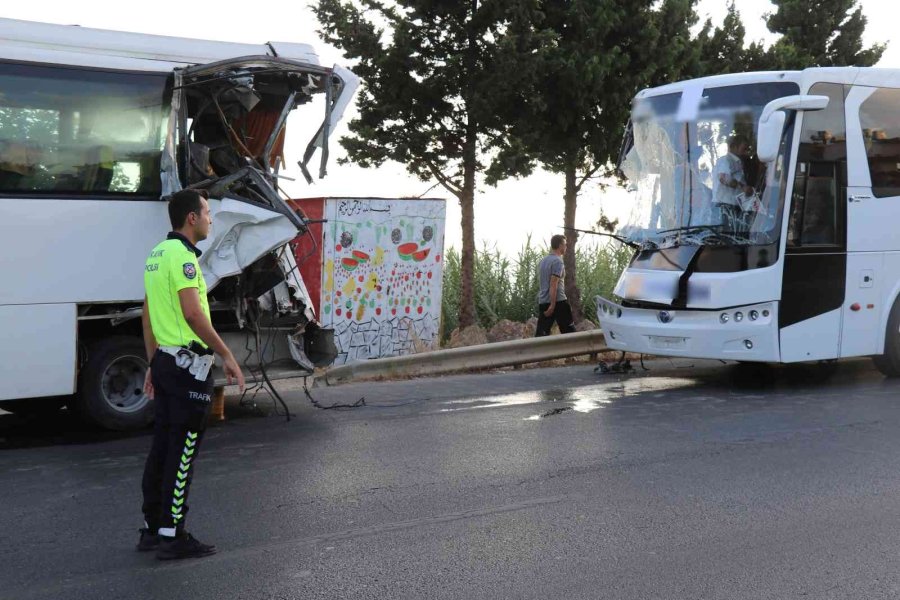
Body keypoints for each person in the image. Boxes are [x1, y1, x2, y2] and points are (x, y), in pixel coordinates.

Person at [137, 188, 245, 560]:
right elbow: (193, 314)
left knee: (162, 447)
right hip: (187, 369)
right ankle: (173, 535)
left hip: (166, 363)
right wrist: (226, 353)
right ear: (192, 218)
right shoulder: (183, 258)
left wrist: (153, 363)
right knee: (183, 451)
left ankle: (152, 529)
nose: (212, 218)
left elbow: (147, 316)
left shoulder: (156, 255)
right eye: (208, 212)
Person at [535, 234, 576, 337]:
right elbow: (553, 284)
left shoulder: (543, 261)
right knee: (570, 333)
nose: (566, 247)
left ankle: (537, 353)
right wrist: (552, 305)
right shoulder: (558, 261)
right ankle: (577, 351)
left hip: (543, 301)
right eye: (565, 244)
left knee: (541, 335)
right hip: (558, 302)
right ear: (560, 245)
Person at [712, 135, 755, 229]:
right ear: (734, 147)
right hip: (725, 207)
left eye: (747, 149)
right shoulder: (725, 160)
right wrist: (743, 187)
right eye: (744, 149)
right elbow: (723, 178)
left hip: (735, 206)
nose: (746, 152)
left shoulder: (739, 162)